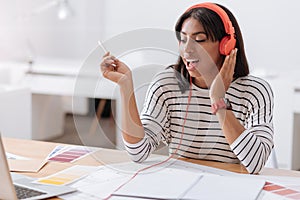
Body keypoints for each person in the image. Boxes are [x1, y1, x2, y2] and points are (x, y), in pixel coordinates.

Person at [100, 2, 274, 174]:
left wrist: (219, 101)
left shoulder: (254, 91)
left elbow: (255, 163)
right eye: (183, 39)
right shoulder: (167, 83)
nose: (187, 50)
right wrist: (125, 85)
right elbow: (138, 152)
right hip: (180, 186)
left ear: (226, 45)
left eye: (199, 40)